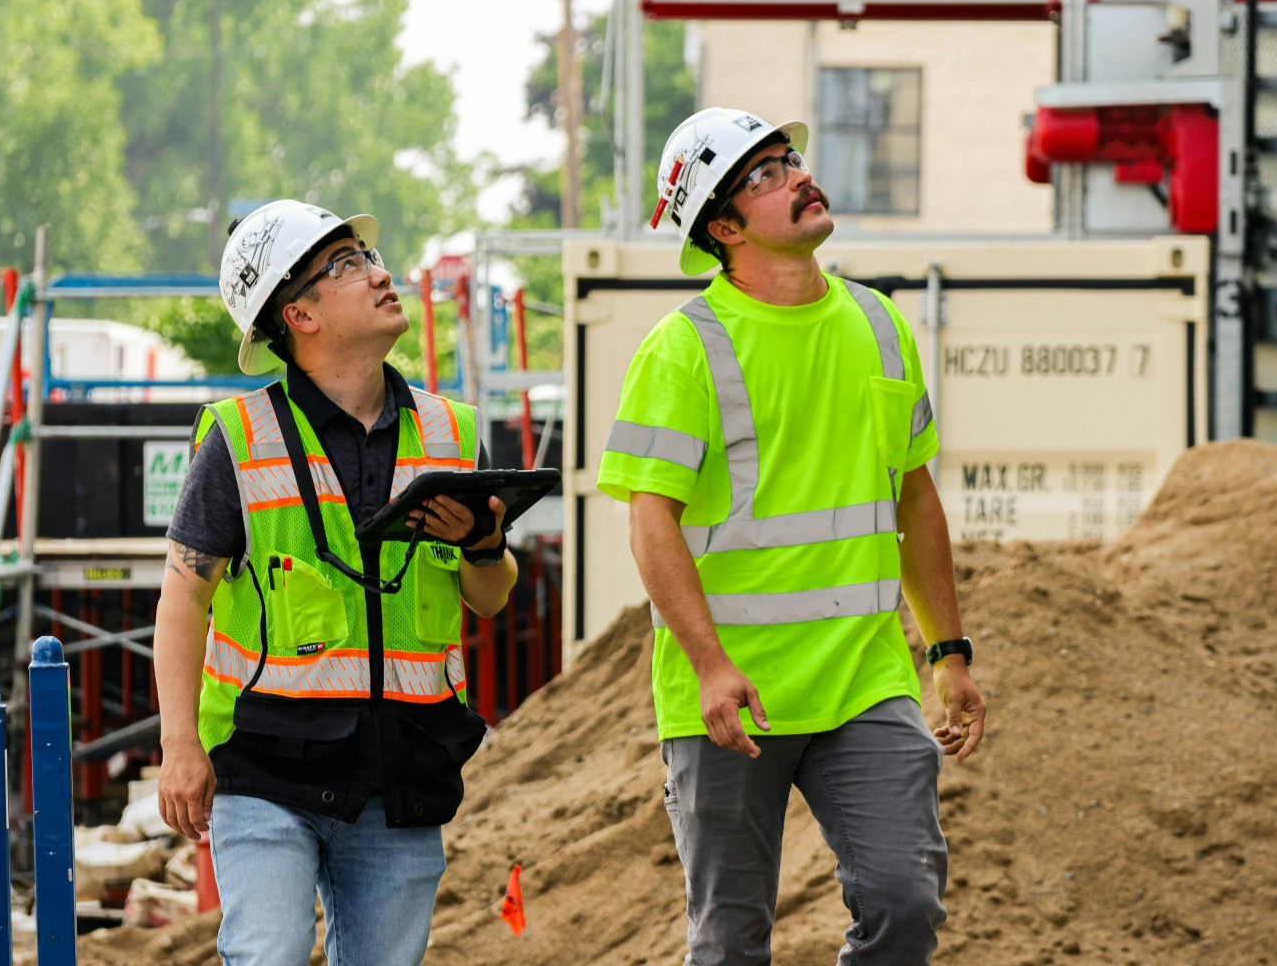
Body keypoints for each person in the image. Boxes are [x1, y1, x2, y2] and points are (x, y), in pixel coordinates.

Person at [597, 107, 987, 964]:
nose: (797, 175)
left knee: (905, 901)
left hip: (864, 680)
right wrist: (708, 666)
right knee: (731, 942)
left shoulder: (880, 325)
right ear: (725, 227)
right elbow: (649, 521)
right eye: (764, 173)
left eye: (790, 158)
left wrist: (948, 652)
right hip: (734, 699)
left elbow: (914, 498)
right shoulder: (683, 350)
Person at [153, 200, 517, 966]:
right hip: (264, 764)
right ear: (299, 314)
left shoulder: (451, 432)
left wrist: (483, 544)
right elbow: (183, 597)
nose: (381, 274)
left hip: (402, 772)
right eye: (347, 264)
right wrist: (181, 744)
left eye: (370, 258)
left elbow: (489, 593)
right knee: (269, 953)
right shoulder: (239, 438)